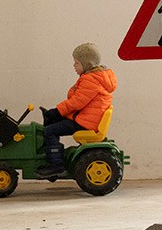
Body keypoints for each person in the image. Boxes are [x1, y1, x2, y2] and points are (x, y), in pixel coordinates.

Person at [38, 43, 117, 178]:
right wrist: (58, 113)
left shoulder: (91, 80)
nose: (74, 65)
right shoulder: (97, 77)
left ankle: (56, 164)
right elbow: (80, 104)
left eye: (77, 62)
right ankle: (52, 156)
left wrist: (57, 112)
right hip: (86, 118)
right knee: (53, 123)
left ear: (87, 64)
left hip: (85, 123)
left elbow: (77, 102)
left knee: (50, 131)